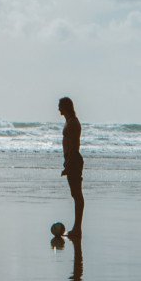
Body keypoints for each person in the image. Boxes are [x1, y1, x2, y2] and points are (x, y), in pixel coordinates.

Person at [59, 97, 84, 238]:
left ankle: (77, 229)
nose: (58, 109)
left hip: (74, 161)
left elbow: (74, 147)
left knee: (77, 194)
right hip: (71, 160)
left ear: (65, 107)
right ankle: (76, 228)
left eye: (60, 106)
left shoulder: (73, 123)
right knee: (75, 194)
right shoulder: (70, 122)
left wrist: (68, 165)